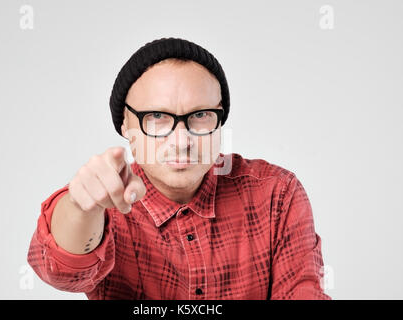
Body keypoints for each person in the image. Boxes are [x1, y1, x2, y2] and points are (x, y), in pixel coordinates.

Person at [27, 37, 331, 300]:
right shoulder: (109, 201)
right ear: (125, 124)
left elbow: (303, 290)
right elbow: (60, 271)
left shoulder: (276, 193)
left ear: (220, 119)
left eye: (200, 115)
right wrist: (81, 207)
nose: (181, 140)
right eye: (157, 116)